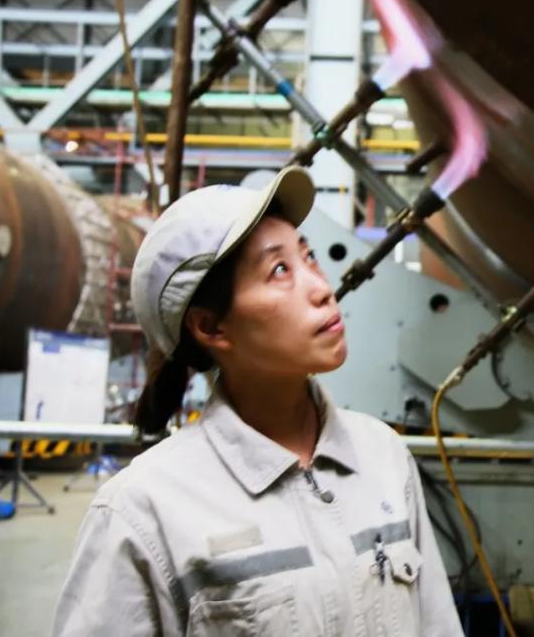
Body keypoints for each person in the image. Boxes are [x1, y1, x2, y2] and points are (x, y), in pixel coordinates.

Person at [53, 167, 463, 636]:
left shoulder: (383, 457)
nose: (322, 288)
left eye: (308, 257)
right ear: (211, 327)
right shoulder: (144, 510)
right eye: (279, 270)